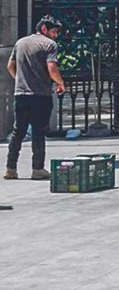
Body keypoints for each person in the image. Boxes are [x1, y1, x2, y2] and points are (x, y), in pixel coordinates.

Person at [5, 16, 65, 180]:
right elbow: (52, 68)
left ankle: (11, 168)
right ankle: (37, 169)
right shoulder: (49, 45)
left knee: (18, 131)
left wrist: (20, 80)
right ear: (44, 29)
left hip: (21, 94)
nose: (55, 35)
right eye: (53, 31)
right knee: (38, 131)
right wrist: (60, 83)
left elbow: (10, 66)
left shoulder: (20, 42)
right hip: (40, 95)